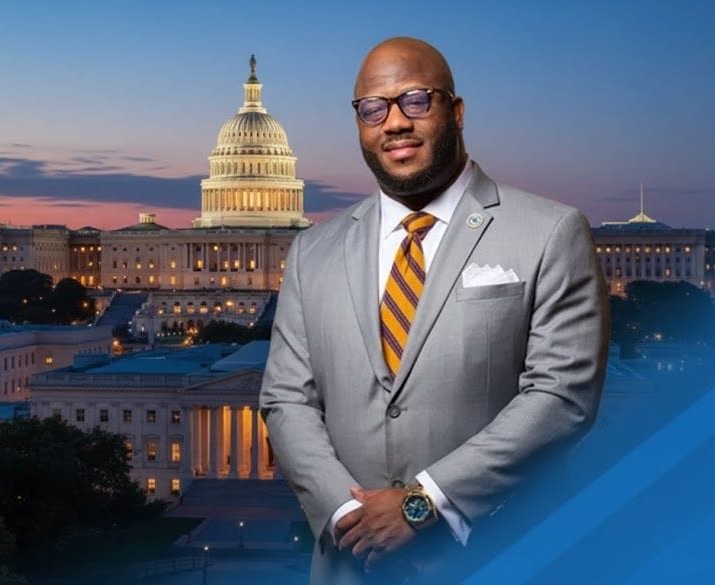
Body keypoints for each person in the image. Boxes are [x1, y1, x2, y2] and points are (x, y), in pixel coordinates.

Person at [260, 36, 610, 584]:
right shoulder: (312, 250)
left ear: (457, 111)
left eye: (416, 100)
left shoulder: (551, 231)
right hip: (351, 567)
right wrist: (347, 513)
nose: (393, 122)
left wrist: (421, 504)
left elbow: (561, 398)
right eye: (373, 108)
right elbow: (285, 399)